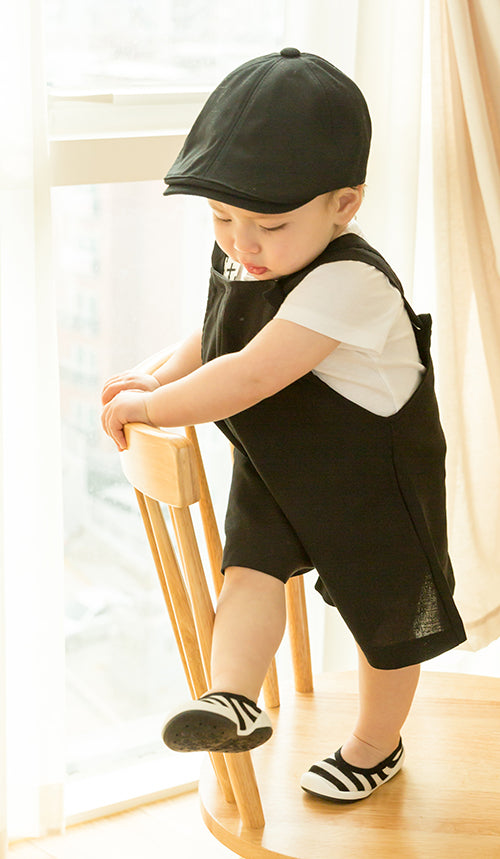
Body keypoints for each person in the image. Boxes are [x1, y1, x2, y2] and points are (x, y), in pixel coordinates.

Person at [101, 48, 466, 803]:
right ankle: (233, 695)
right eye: (221, 217)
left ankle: (376, 744)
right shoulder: (256, 255)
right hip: (283, 462)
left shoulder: (350, 282)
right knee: (248, 573)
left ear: (344, 204)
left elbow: (250, 374)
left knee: (386, 618)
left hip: (373, 478)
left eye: (268, 223)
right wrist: (158, 375)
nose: (242, 243)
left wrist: (152, 408)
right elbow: (217, 336)